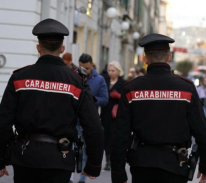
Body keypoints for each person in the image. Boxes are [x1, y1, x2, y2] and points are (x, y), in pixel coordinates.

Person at [0, 18, 104, 183]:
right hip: (60, 158)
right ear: (62, 49)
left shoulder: (19, 78)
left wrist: (1, 159)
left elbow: (3, 122)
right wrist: (93, 164)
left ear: (38, 48)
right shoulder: (76, 81)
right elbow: (93, 126)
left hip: (25, 157)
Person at [111, 34, 206, 183]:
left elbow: (120, 134)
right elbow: (203, 131)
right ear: (169, 57)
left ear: (146, 59)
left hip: (142, 165)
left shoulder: (132, 88)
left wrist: (118, 173)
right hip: (176, 165)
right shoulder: (186, 88)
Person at [72, 53, 108, 183]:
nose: (84, 70)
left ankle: (82, 179)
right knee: (69, 148)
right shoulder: (73, 76)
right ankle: (69, 178)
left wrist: (89, 101)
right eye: (82, 67)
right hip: (74, 120)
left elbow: (105, 99)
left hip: (89, 120)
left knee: (87, 151)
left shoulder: (99, 79)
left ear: (91, 66)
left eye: (86, 68)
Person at [100, 61, 125, 171]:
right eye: (109, 70)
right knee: (105, 137)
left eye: (113, 70)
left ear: (118, 71)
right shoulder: (104, 81)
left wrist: (118, 96)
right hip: (105, 113)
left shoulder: (123, 83)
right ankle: (107, 160)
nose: (110, 73)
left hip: (116, 114)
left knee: (114, 137)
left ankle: (113, 159)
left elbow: (126, 99)